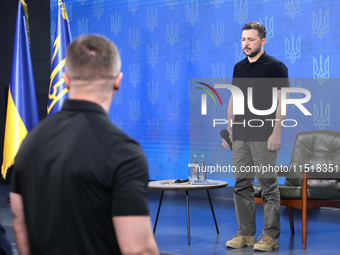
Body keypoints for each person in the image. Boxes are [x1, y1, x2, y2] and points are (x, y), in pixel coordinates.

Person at [10, 35, 159, 255]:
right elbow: (138, 250)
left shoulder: (29, 142)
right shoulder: (124, 153)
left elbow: (20, 225)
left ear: (66, 80)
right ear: (117, 81)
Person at [222, 22, 289, 251]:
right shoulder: (238, 67)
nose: (246, 44)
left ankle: (270, 235)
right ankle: (245, 234)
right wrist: (228, 129)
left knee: (268, 185)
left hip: (264, 135)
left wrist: (277, 132)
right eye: (243, 39)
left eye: (251, 39)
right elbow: (234, 99)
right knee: (241, 184)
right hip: (240, 135)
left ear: (263, 40)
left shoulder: (276, 67)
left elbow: (283, 102)